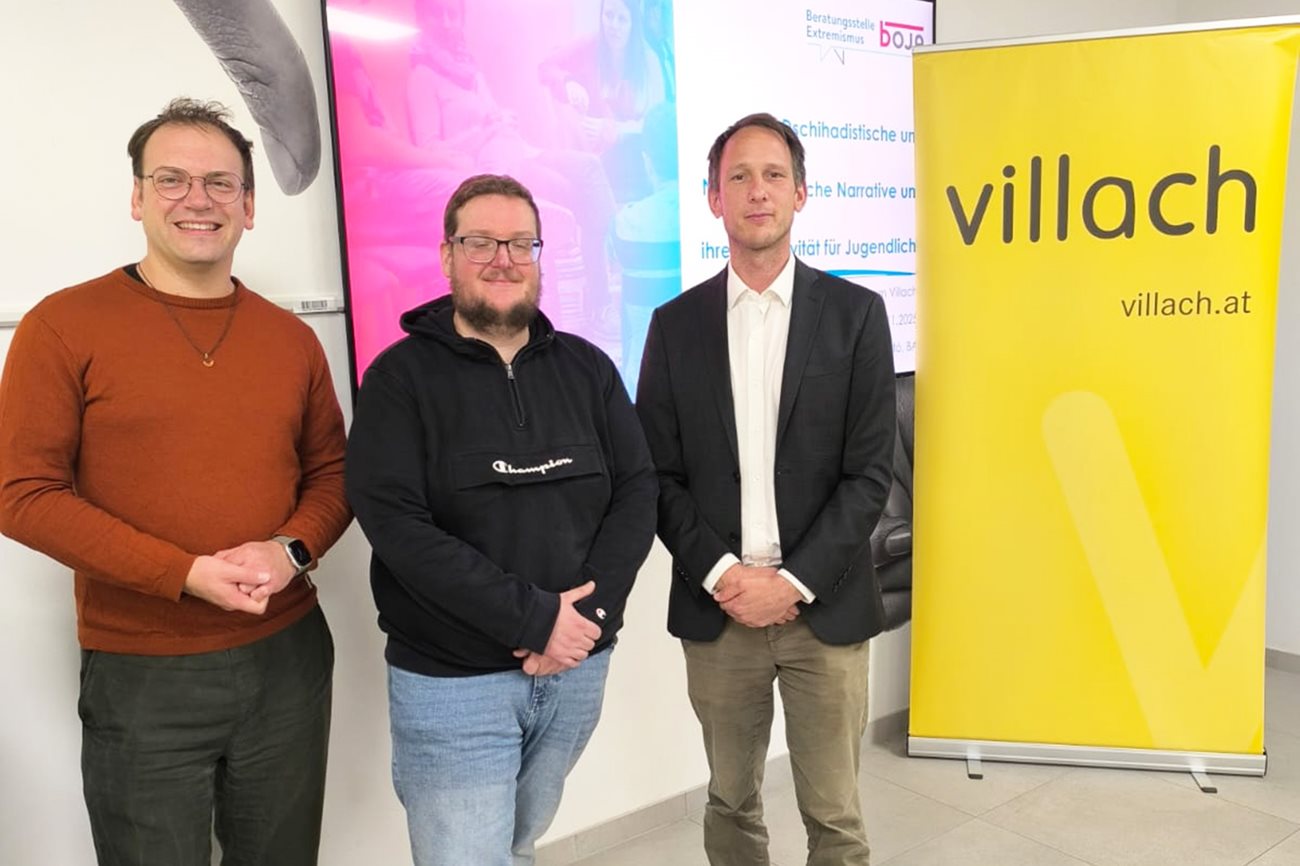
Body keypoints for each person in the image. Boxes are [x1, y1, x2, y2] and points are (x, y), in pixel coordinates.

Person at [0, 98, 352, 865]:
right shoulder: (62, 326)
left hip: (288, 657)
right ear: (137, 197)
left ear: (249, 207)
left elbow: (333, 473)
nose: (199, 198)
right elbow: (22, 494)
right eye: (172, 179)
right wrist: (182, 573)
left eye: (221, 183)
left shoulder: (291, 339)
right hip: (143, 670)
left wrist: (291, 550)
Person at [345, 174, 658, 866]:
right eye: (480, 242)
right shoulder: (398, 380)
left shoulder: (588, 369)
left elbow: (637, 491)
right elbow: (397, 526)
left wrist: (584, 619)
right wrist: (534, 620)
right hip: (453, 683)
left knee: (515, 845)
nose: (503, 259)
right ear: (447, 255)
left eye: (521, 244)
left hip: (577, 667)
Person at [635, 113, 896, 866]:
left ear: (801, 193)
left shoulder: (856, 316)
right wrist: (725, 575)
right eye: (739, 177)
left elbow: (868, 474)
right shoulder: (674, 326)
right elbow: (658, 475)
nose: (758, 191)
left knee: (836, 817)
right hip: (719, 613)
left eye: (774, 175)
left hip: (826, 608)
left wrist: (792, 582)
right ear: (713, 198)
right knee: (730, 803)